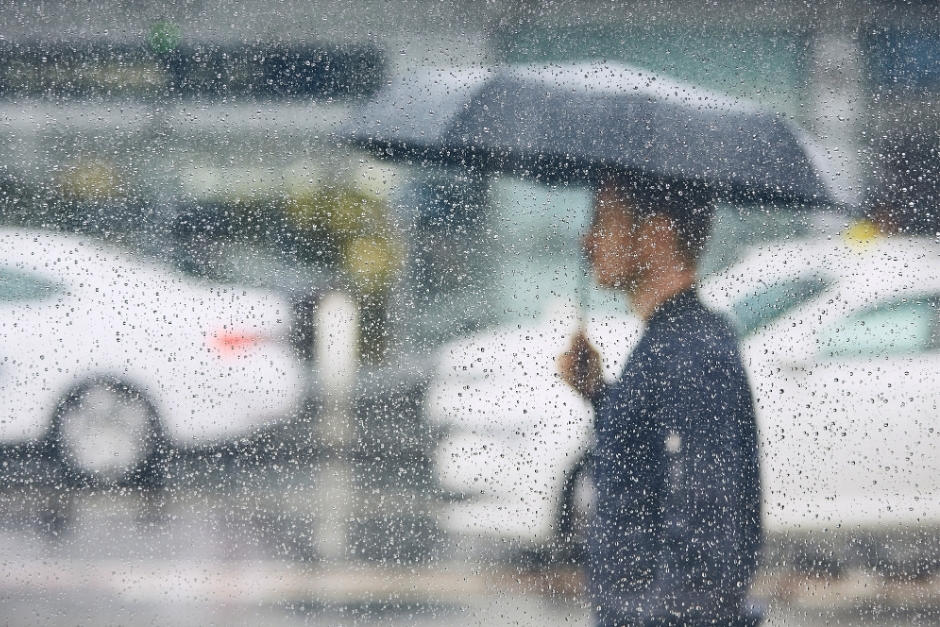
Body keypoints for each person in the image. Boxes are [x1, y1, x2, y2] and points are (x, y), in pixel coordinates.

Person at [558, 175, 763, 627]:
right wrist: (598, 392)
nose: (586, 240)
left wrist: (661, 615)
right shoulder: (672, 341)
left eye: (603, 221)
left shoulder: (691, 351)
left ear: (655, 235)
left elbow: (709, 521)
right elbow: (648, 464)